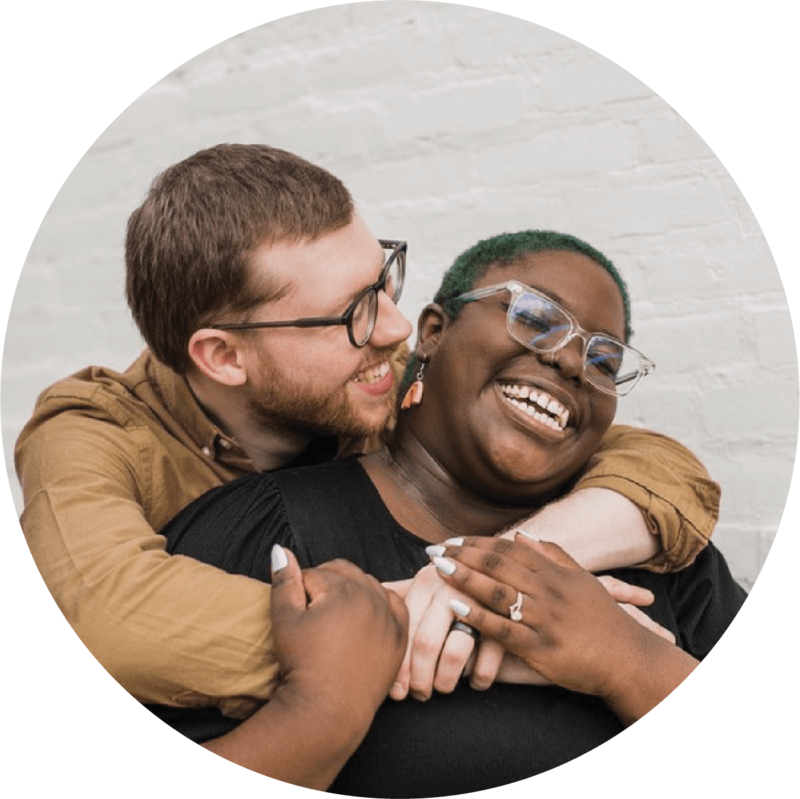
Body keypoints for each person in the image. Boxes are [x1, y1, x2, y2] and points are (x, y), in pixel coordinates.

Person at [17, 144, 719, 717]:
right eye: (353, 312)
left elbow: (653, 464)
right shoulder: (91, 432)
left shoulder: (372, 374)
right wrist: (455, 627)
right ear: (223, 356)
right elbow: (107, 618)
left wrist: (486, 574)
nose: (394, 326)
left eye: (384, 280)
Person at [155, 230, 747, 795]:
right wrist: (326, 699)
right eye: (537, 319)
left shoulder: (666, 565)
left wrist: (627, 659)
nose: (572, 364)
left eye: (605, 361)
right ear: (434, 332)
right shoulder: (270, 531)